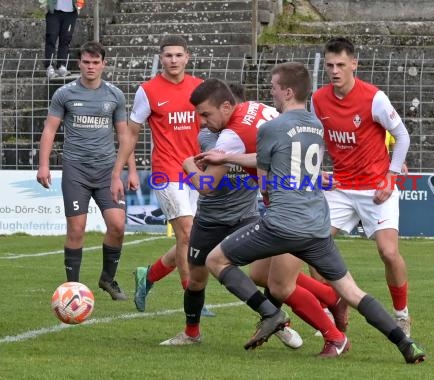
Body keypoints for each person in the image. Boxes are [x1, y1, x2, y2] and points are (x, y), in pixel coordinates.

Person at [202, 63, 425, 363]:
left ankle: (270, 314)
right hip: (317, 225)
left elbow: (265, 184)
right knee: (351, 291)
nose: (272, 92)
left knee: (215, 259)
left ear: (288, 91)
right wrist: (230, 156)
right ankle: (405, 345)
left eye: (274, 87)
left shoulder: (270, 128)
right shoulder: (316, 125)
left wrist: (229, 161)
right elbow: (280, 155)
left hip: (281, 225)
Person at [184, 76, 354, 357]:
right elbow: (274, 154)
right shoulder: (256, 108)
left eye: (205, 114)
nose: (201, 121)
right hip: (282, 206)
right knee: (261, 274)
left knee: (280, 284)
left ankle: (335, 336)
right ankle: (330, 298)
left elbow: (207, 186)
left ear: (227, 106)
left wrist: (188, 164)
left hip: (289, 212)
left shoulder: (230, 137)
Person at [311, 37, 413, 336]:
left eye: (341, 64)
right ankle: (332, 311)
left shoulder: (374, 98)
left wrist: (390, 176)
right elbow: (315, 140)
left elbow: (402, 136)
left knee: (388, 252)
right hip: (340, 187)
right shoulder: (318, 99)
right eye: (329, 65)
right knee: (312, 247)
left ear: (354, 64)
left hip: (375, 188)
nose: (334, 70)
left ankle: (402, 314)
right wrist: (317, 171)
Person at [110, 36, 216, 317]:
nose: (173, 60)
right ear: (161, 58)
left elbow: (212, 123)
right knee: (187, 232)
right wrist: (119, 170)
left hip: (196, 171)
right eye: (168, 55)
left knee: (189, 239)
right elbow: (131, 132)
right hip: (166, 171)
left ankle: (149, 275)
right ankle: (191, 295)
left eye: (178, 55)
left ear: (187, 57)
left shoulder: (199, 87)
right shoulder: (148, 91)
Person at [36, 41, 137, 300]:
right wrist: (44, 164)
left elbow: (124, 136)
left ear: (103, 64)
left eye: (96, 62)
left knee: (117, 225)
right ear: (79, 63)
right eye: (86, 62)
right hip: (76, 170)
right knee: (77, 229)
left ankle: (107, 279)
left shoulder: (115, 95)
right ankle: (72, 290)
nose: (91, 67)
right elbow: (50, 129)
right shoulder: (64, 93)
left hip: (107, 172)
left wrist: (132, 171)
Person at [40, 0, 84, 79]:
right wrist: (44, 5)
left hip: (71, 12)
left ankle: (62, 66)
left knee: (66, 39)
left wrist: (79, 6)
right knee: (51, 38)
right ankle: (49, 67)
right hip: (53, 11)